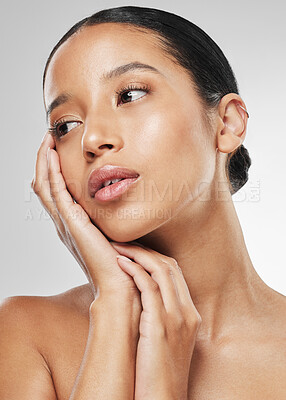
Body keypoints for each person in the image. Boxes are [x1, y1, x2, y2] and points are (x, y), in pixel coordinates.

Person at [1, 5, 285, 399]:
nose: (91, 139)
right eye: (66, 126)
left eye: (129, 95)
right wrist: (115, 307)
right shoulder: (25, 334)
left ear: (227, 124)